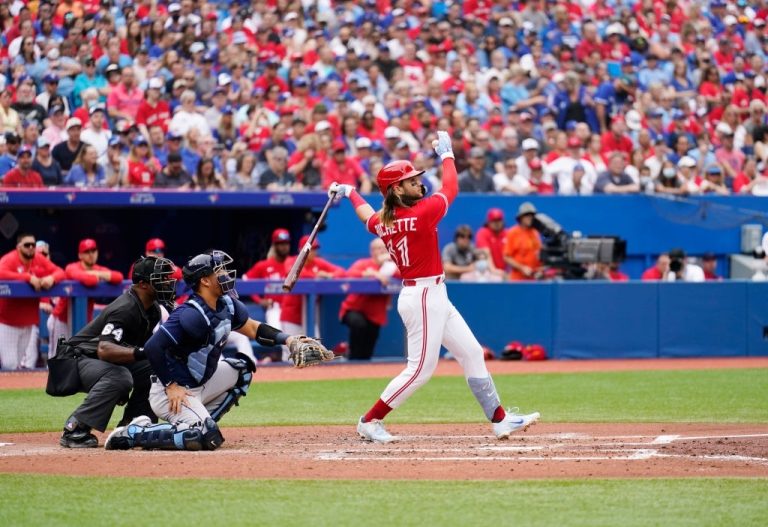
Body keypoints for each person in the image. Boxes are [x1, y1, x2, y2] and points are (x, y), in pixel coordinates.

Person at [329, 130, 539, 443]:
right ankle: (370, 420)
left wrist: (349, 192)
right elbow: (451, 187)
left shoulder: (384, 220)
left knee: (471, 353)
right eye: (411, 181)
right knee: (420, 371)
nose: (419, 183)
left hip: (432, 293)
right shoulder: (422, 213)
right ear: (397, 189)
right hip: (423, 295)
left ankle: (500, 420)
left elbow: (366, 216)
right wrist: (448, 155)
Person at [103, 251, 329, 451]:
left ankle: (198, 424)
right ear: (205, 281)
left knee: (242, 370)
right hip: (173, 392)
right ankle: (135, 432)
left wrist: (288, 340)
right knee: (207, 438)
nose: (225, 273)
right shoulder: (189, 313)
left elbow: (253, 328)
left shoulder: (227, 304)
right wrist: (171, 385)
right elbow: (153, 347)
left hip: (202, 383)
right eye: (218, 270)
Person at [57, 256, 177, 448]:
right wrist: (140, 354)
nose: (168, 283)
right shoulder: (126, 308)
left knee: (154, 368)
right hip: (74, 360)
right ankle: (75, 428)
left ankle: (133, 425)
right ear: (144, 284)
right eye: (161, 279)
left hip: (96, 361)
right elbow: (104, 349)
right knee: (120, 377)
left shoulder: (153, 309)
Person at [47, 239, 124, 358]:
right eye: (87, 251)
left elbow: (118, 277)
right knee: (56, 357)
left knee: (77, 356)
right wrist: (97, 276)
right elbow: (90, 281)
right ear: (80, 255)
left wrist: (97, 274)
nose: (91, 254)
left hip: (82, 320)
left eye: (93, 250)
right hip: (61, 319)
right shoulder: (72, 267)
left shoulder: (98, 269)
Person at [0, 232, 65, 370]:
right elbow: (1, 272)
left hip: (28, 322)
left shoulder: (38, 258)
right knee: (9, 365)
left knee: (19, 366)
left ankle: (14, 390)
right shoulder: (10, 259)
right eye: (27, 245)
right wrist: (28, 278)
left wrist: (51, 278)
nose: (31, 247)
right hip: (7, 323)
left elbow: (60, 271)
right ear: (18, 247)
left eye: (33, 245)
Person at [339, 238, 399, 361]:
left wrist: (388, 264)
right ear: (372, 251)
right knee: (359, 324)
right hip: (353, 309)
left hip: (376, 314)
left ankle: (362, 369)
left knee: (367, 350)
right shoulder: (363, 263)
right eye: (378, 248)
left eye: (384, 247)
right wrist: (371, 274)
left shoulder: (392, 266)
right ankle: (351, 359)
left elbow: (403, 274)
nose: (382, 251)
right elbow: (348, 274)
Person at [503, 202, 543, 281]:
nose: (530, 218)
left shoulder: (535, 232)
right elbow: (506, 257)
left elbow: (539, 254)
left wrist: (541, 270)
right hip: (518, 278)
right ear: (520, 217)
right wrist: (522, 268)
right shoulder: (513, 232)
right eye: (527, 215)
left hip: (535, 278)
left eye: (532, 216)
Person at [475, 208, 508, 273]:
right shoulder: (483, 232)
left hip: (505, 273)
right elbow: (486, 253)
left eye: (498, 220)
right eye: (494, 220)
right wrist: (493, 270)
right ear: (488, 221)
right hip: (488, 273)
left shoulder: (507, 233)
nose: (496, 223)